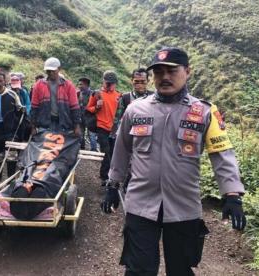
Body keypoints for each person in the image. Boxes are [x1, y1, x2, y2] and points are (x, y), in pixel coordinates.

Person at [101, 47, 246, 276]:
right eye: (159, 72)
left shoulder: (205, 112)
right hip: (140, 205)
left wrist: (232, 195)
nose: (165, 77)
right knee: (138, 270)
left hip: (183, 207)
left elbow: (222, 154)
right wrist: (112, 184)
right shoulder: (135, 110)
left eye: (172, 71)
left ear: (187, 71)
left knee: (180, 269)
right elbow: (121, 150)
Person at [30, 57, 81, 135]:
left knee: (62, 145)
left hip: (64, 124)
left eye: (53, 71)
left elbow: (74, 107)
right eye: (48, 71)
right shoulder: (39, 85)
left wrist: (76, 126)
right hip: (45, 124)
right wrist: (33, 126)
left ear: (59, 69)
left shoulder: (68, 85)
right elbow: (34, 107)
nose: (50, 73)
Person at [86, 70, 121, 185]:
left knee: (113, 152)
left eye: (112, 83)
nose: (110, 85)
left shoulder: (118, 95)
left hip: (113, 129)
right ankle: (105, 177)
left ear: (115, 83)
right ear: (103, 81)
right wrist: (96, 107)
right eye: (108, 83)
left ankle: (107, 175)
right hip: (101, 127)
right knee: (106, 152)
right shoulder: (97, 93)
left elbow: (120, 112)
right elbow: (88, 109)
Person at [77, 77, 97, 151]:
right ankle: (82, 148)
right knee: (80, 133)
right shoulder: (78, 93)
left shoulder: (93, 94)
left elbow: (96, 106)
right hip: (80, 117)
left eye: (81, 84)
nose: (79, 86)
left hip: (90, 118)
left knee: (91, 134)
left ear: (86, 85)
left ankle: (94, 150)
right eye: (79, 84)